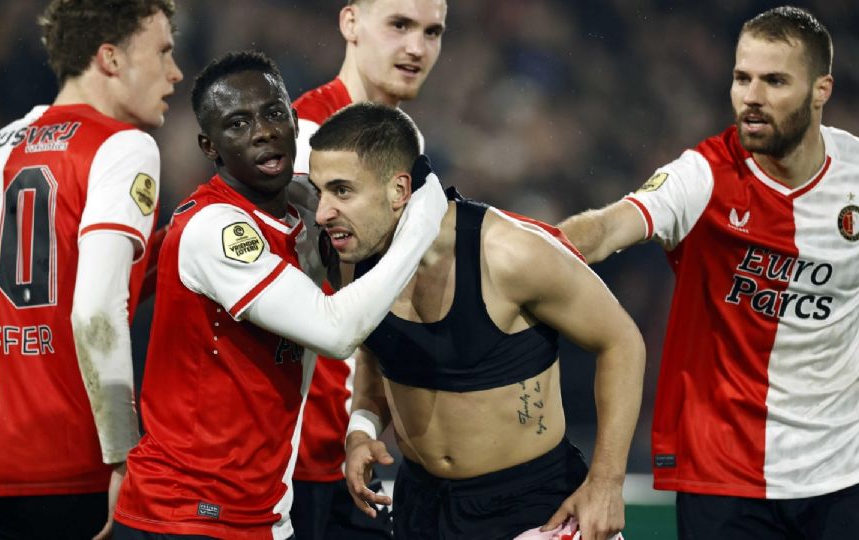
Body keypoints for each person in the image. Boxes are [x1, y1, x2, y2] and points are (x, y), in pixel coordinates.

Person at [112, 51, 446, 540]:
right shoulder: (216, 229)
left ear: (294, 121)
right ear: (210, 146)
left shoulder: (306, 210)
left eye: (273, 114)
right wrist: (423, 216)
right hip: (186, 515)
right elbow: (335, 331)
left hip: (263, 511)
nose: (263, 131)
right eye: (238, 124)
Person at [557, 6, 859, 539]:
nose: (752, 97)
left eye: (774, 81)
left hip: (843, 475)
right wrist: (504, 247)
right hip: (725, 480)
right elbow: (603, 231)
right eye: (742, 78)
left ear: (821, 90)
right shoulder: (702, 175)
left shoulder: (856, 175)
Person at [307, 102, 644, 540]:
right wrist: (362, 428)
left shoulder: (509, 253)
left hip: (535, 511)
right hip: (421, 508)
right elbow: (376, 351)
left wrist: (606, 482)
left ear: (398, 189)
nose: (323, 213)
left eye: (342, 191)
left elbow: (622, 341)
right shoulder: (351, 258)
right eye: (320, 193)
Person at [0, 1, 183, 539]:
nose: (175, 73)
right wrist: (124, 456)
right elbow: (95, 311)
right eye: (163, 51)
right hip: (68, 472)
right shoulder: (124, 146)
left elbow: (42, 294)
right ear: (111, 58)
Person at [288, 2, 446, 537]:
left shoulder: (405, 144)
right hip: (299, 452)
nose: (417, 48)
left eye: (432, 31)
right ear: (350, 23)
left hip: (358, 440)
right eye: (399, 25)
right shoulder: (304, 137)